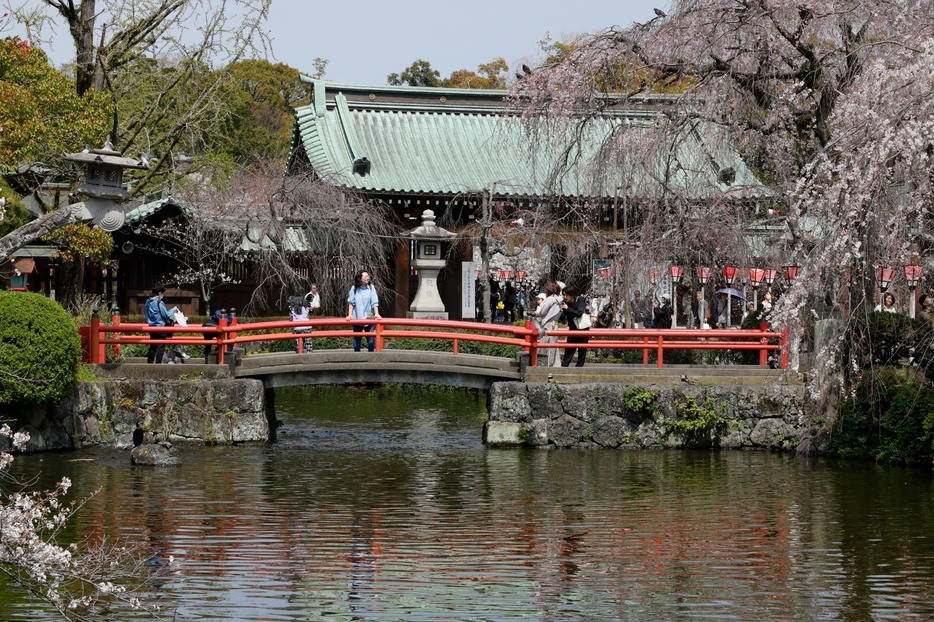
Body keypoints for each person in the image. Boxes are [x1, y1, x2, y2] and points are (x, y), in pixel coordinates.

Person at [346, 271, 381, 352]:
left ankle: (371, 359)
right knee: (356, 340)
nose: (367, 278)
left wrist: (376, 313)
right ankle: (357, 360)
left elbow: (374, 302)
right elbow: (351, 302)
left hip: (369, 319)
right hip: (357, 319)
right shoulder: (354, 289)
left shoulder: (371, 287)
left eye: (368, 276)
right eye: (365, 276)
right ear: (360, 278)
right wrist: (349, 315)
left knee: (371, 340)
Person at [145, 284, 177, 364]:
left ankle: (150, 363)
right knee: (160, 346)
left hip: (151, 327)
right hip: (161, 327)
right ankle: (158, 364)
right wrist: (173, 310)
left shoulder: (148, 302)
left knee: (152, 346)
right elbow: (165, 315)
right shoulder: (159, 302)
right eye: (162, 293)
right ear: (159, 293)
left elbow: (146, 314)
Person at [535, 281, 564, 367]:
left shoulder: (550, 299)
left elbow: (542, 311)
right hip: (555, 324)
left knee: (544, 346)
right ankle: (555, 366)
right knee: (553, 348)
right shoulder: (560, 300)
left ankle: (543, 366)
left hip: (547, 324)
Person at [560, 286, 590, 367]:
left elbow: (579, 313)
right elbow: (563, 315)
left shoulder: (579, 300)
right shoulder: (564, 302)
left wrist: (568, 308)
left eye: (566, 295)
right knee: (569, 348)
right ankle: (564, 367)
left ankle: (579, 368)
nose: (565, 297)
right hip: (572, 328)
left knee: (582, 349)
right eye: (563, 295)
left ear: (572, 295)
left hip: (583, 328)